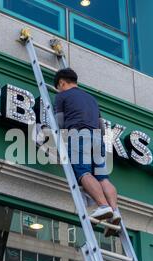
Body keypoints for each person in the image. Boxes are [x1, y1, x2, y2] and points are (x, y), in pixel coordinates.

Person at [53, 68, 121, 236]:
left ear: (61, 82)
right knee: (103, 177)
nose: (59, 89)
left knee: (83, 172)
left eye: (58, 86)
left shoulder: (62, 96)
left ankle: (103, 207)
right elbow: (101, 124)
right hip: (97, 137)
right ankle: (115, 211)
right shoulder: (91, 99)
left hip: (78, 134)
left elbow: (59, 122)